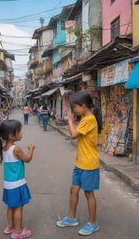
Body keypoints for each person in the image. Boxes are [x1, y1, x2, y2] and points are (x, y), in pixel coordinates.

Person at [56, 91, 101, 236]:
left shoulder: (89, 119)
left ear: (83, 105)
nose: (74, 110)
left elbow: (73, 134)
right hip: (80, 162)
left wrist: (69, 120)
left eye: (75, 107)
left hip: (89, 163)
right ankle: (71, 218)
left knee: (88, 193)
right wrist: (74, 120)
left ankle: (93, 223)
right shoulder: (84, 117)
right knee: (73, 190)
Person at [0, 120, 35, 238]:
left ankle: (9, 226)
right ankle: (18, 231)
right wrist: (31, 149)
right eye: (19, 131)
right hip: (17, 183)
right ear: (11, 136)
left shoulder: (4, 148)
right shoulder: (16, 149)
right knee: (18, 207)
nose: (21, 133)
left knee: (10, 206)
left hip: (8, 184)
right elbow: (27, 159)